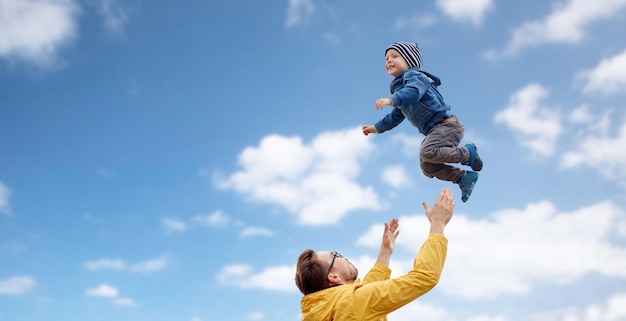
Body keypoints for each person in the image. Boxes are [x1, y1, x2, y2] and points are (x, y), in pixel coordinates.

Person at [295, 188, 455, 321]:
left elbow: (365, 294)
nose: (342, 255)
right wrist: (437, 225)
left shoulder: (322, 310)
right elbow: (425, 277)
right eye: (335, 255)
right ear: (334, 277)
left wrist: (385, 252)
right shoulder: (354, 302)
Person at [362, 41, 483, 202]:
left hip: (447, 126)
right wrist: (376, 128)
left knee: (427, 152)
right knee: (427, 166)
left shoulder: (415, 77)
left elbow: (413, 93)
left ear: (409, 61)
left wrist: (392, 99)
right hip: (435, 131)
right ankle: (463, 177)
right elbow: (395, 116)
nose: (388, 61)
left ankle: (468, 153)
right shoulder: (399, 90)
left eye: (394, 56)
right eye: (386, 59)